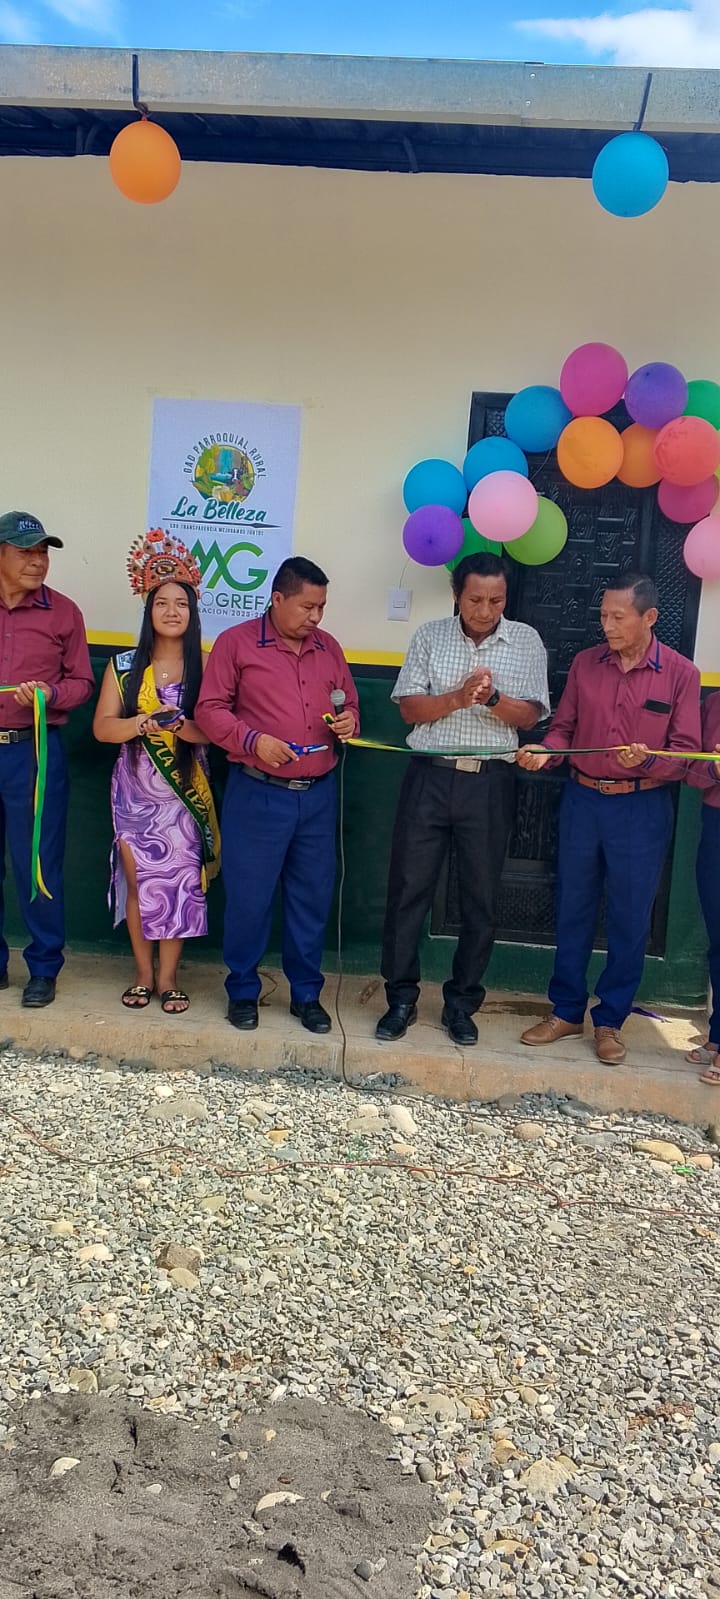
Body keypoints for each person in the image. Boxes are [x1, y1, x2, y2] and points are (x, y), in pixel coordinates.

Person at [518, 573, 701, 1065]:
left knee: (629, 918)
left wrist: (648, 760)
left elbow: (686, 755)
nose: (608, 626)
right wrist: (546, 751)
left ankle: (611, 1021)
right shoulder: (586, 663)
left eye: (618, 617)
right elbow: (563, 730)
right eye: (603, 616)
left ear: (649, 617)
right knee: (572, 908)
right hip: (583, 801)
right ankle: (565, 1011)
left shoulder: (681, 674)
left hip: (641, 808)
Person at [376, 552, 549, 1046]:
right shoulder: (430, 636)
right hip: (430, 777)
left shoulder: (526, 641)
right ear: (456, 595)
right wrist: (457, 697)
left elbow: (530, 716)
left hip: (489, 783)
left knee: (480, 897)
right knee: (408, 890)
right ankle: (400, 999)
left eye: (496, 600)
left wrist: (492, 699)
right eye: (475, 599)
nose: (485, 610)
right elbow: (410, 708)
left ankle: (462, 1004)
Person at [194, 556, 358, 1034]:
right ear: (278, 599)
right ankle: (243, 990)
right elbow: (209, 710)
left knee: (311, 898)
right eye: (307, 607)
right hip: (258, 793)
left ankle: (306, 994)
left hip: (317, 796)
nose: (316, 617)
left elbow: (350, 702)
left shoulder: (329, 648)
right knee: (249, 898)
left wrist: (349, 721)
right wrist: (253, 741)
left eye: (322, 607)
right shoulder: (236, 643)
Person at [93, 531, 219, 1014]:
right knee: (139, 881)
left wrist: (182, 726)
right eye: (161, 603)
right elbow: (103, 728)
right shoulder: (124, 667)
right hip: (135, 794)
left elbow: (216, 732)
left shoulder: (207, 666)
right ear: (148, 611)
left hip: (185, 790)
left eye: (181, 603)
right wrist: (141, 723)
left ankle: (169, 978)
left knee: (181, 881)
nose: (171, 611)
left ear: (193, 612)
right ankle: (143, 975)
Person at [0, 511, 94, 1007]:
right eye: (26, 552)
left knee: (37, 862)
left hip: (33, 750)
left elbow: (83, 683)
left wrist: (50, 694)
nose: (38, 561)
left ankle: (43, 967)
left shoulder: (64, 613)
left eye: (43, 552)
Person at [684, 691, 720, 1084]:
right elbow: (692, 773)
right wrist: (713, 768)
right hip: (716, 820)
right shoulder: (714, 705)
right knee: (718, 935)